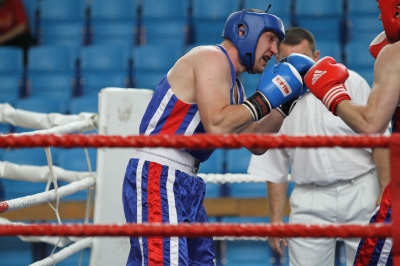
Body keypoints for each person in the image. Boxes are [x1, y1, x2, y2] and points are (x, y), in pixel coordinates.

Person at [121, 7, 317, 266]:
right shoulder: (210, 57)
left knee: (199, 261)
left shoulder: (234, 86)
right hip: (160, 172)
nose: (274, 50)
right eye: (270, 39)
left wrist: (284, 102)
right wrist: (265, 98)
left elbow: (256, 142)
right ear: (245, 32)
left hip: (185, 179)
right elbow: (217, 125)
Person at [247, 27, 390, 266]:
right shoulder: (275, 96)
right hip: (309, 197)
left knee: (372, 262)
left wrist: (386, 195)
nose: (296, 70)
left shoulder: (350, 81)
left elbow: (379, 140)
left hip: (361, 190)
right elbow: (274, 162)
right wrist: (275, 219)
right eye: (288, 62)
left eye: (301, 60)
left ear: (316, 57)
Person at [304, 0, 400, 264]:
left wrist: (333, 94)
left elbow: (371, 124)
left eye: (381, 12)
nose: (381, 21)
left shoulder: (395, 54)